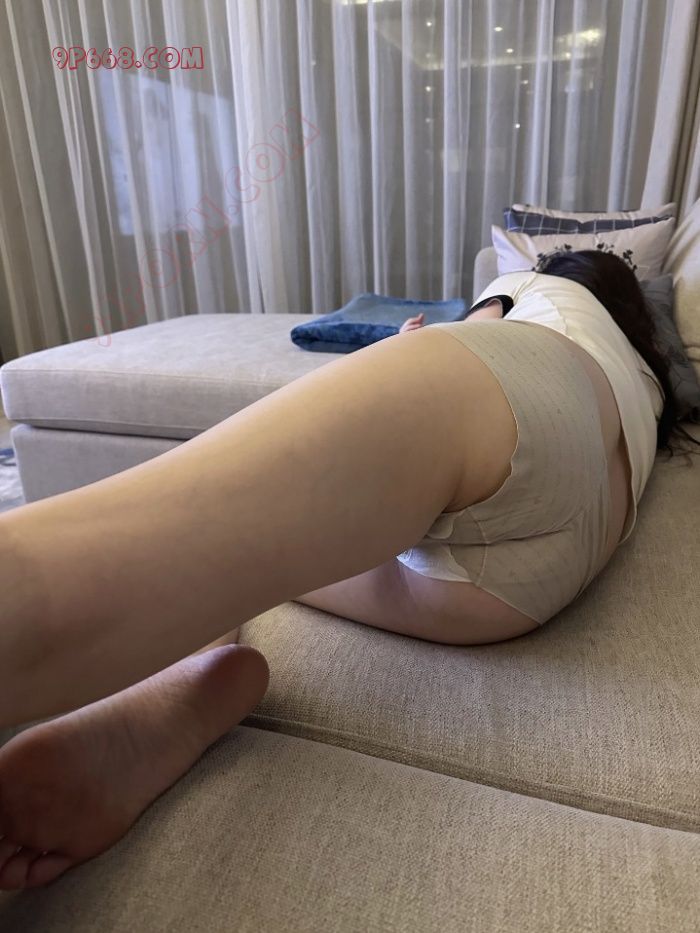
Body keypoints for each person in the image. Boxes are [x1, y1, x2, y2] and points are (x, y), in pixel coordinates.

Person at [0, 250, 697, 890]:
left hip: (526, 409)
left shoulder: (537, 285)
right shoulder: (651, 387)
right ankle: (184, 681)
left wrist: (414, 346)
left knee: (154, 546)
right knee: (251, 551)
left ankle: (169, 664)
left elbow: (480, 334)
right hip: (523, 588)